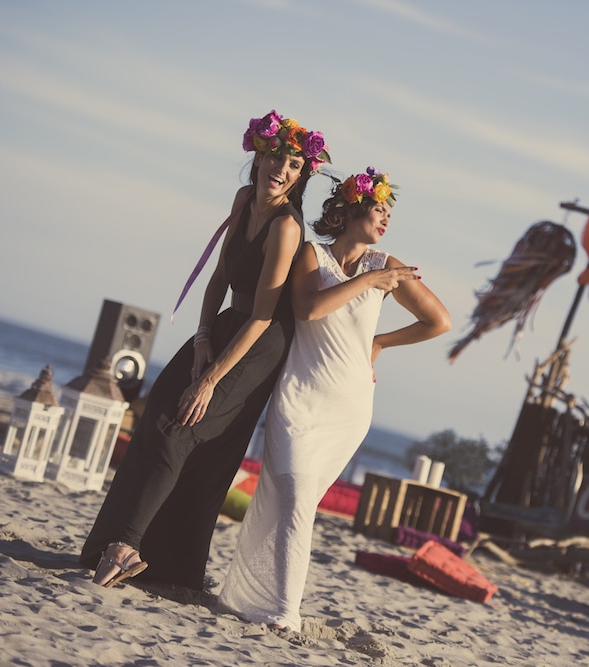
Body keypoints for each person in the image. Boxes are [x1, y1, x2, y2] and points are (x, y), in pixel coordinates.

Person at [79, 110, 331, 590]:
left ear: (302, 176)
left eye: (295, 164)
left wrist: (212, 377)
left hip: (260, 342)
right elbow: (217, 278)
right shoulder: (242, 200)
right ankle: (121, 547)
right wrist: (200, 342)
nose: (282, 169)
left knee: (182, 430)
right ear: (258, 156)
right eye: (276, 157)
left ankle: (127, 547)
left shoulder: (286, 228)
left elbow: (263, 314)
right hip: (225, 324)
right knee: (157, 409)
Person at [219, 167, 451, 632]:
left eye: (388, 211)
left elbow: (438, 321)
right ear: (350, 210)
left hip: (349, 406)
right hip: (301, 395)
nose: (385, 219)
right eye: (378, 208)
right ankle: (283, 611)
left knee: (301, 502)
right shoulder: (312, 254)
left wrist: (381, 342)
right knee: (294, 495)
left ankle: (272, 604)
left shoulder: (387, 264)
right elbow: (307, 309)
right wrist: (367, 283)